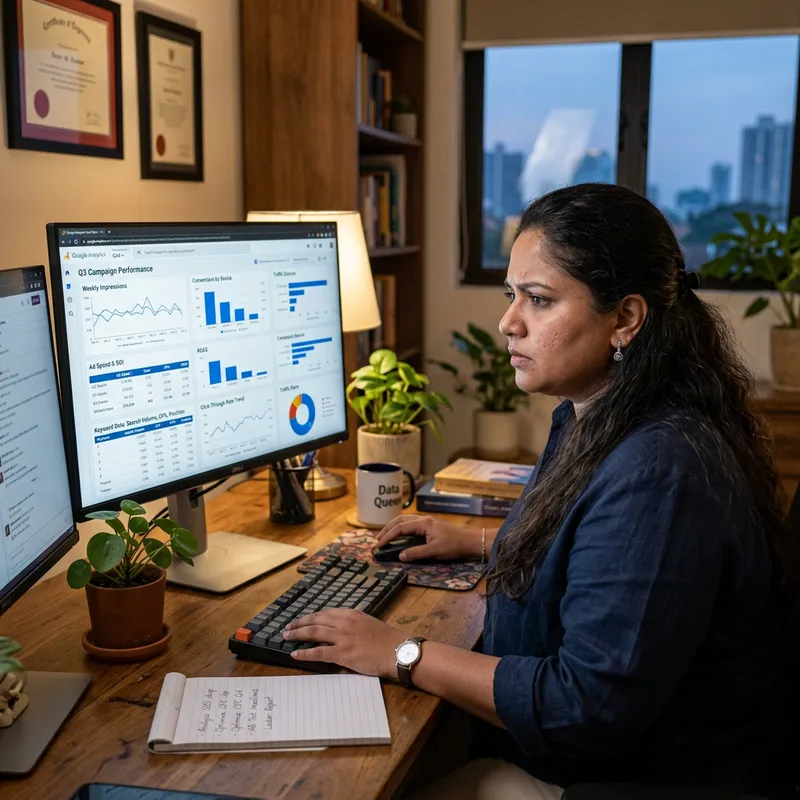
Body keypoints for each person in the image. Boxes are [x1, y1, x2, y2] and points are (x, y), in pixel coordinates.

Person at [283, 183, 794, 799]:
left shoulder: (659, 471)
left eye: (540, 300)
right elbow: (603, 549)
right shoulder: (600, 414)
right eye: (512, 295)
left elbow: (582, 706)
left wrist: (401, 652)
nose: (509, 322)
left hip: (627, 780)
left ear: (625, 319)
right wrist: (478, 540)